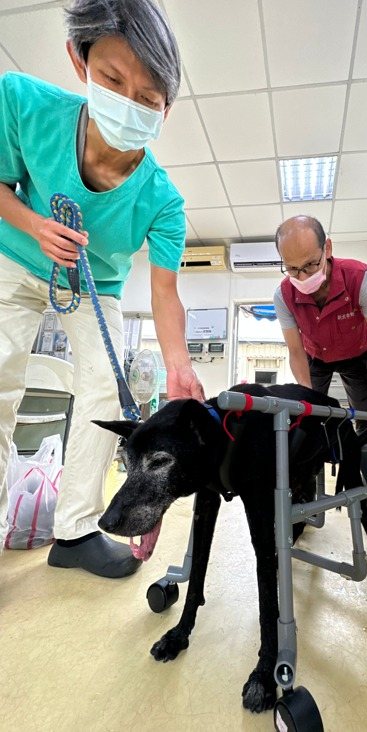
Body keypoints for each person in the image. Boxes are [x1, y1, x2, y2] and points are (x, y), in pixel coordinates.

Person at [0, 0, 204, 577]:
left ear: (167, 108)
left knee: (103, 395)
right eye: (113, 80)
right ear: (79, 60)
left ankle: (74, 534)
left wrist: (178, 365)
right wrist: (34, 225)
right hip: (13, 256)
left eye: (148, 98)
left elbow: (165, 293)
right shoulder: (23, 103)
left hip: (96, 287)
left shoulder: (163, 200)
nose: (129, 102)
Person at [273, 216, 367, 539]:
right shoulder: (284, 296)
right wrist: (305, 397)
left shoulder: (360, 278)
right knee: (303, 426)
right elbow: (295, 352)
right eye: (292, 269)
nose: (302, 276)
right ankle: (301, 503)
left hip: (358, 355)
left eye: (310, 264)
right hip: (315, 357)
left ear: (327, 249)